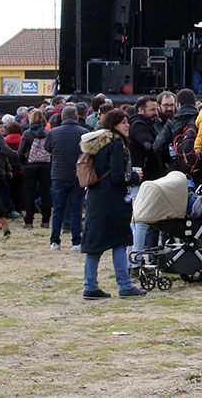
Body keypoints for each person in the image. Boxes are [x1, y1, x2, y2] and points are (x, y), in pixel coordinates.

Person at [80, 109, 146, 299]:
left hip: (95, 197)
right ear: (113, 124)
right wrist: (134, 176)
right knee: (120, 241)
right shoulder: (117, 144)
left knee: (95, 243)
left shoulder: (96, 143)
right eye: (123, 122)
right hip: (113, 200)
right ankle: (124, 285)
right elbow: (118, 175)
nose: (127, 125)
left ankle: (90, 285)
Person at [44, 106, 90, 250]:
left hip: (58, 175)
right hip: (77, 175)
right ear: (77, 117)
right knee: (76, 209)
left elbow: (48, 148)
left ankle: (55, 241)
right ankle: (76, 241)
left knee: (58, 209)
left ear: (62, 117)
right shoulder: (84, 133)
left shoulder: (53, 132)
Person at [128, 96, 164, 258]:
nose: (156, 112)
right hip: (142, 180)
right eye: (152, 109)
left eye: (157, 109)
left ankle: (133, 261)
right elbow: (150, 146)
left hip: (146, 179)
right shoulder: (138, 125)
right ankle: (135, 261)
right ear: (141, 110)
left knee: (139, 222)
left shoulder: (149, 124)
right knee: (140, 223)